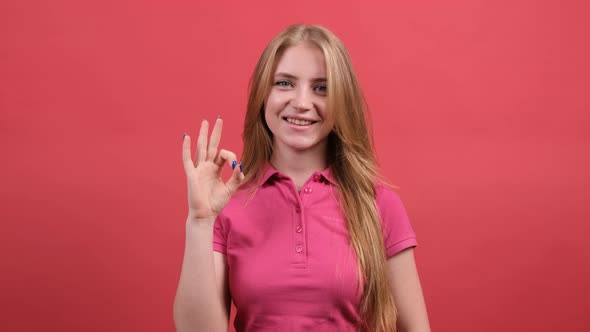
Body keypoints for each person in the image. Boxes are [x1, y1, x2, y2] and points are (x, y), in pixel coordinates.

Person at [173, 24, 431, 332]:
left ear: (342, 101)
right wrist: (200, 222)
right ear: (262, 96)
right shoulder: (228, 206)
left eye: (321, 88)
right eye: (284, 83)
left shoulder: (379, 204)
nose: (301, 102)